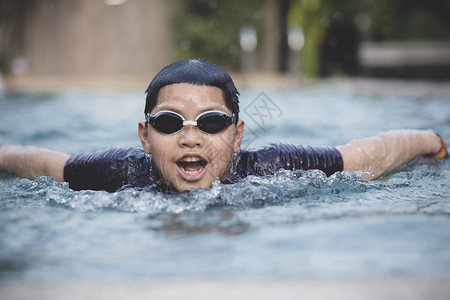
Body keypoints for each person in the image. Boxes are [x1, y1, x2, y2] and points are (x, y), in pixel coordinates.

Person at [0, 59, 447, 193]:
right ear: (144, 137)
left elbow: (366, 155)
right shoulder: (123, 172)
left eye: (211, 123)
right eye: (170, 123)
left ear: (237, 135)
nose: (190, 136)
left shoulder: (272, 168)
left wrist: (431, 139)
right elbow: (40, 162)